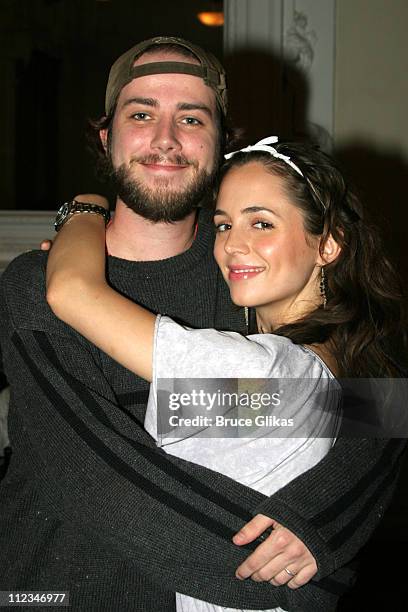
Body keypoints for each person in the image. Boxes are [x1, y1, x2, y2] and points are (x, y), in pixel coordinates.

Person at [0, 36, 405, 611]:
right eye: (141, 114)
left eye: (191, 119)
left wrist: (327, 516)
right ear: (106, 135)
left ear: (222, 145)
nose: (165, 139)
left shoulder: (244, 282)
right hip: (39, 593)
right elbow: (90, 471)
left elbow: (374, 400)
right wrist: (304, 583)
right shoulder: (35, 283)